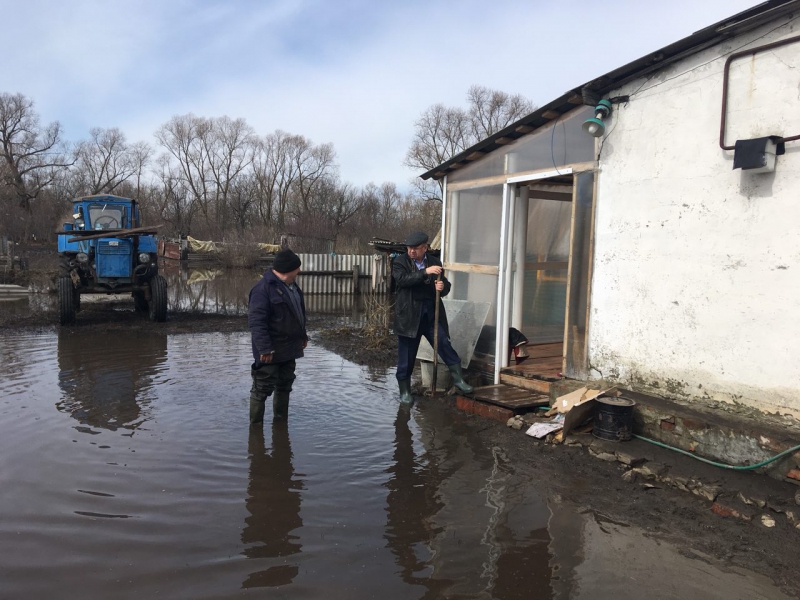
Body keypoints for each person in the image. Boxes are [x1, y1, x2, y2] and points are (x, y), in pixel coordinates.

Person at [393, 231, 474, 404]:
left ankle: (458, 380)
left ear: (425, 248)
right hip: (409, 318)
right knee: (406, 357)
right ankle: (405, 392)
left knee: (444, 345)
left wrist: (442, 286)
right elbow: (402, 280)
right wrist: (424, 273)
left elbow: (446, 287)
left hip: (431, 315)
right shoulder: (400, 262)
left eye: (415, 248)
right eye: (409, 248)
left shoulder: (435, 262)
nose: (411, 251)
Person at [248, 248, 308, 424]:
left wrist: (303, 336)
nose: (300, 271)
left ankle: (280, 425)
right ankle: (256, 429)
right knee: (261, 390)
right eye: (297, 267)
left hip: (289, 349)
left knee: (284, 387)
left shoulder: (293, 287)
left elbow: (298, 315)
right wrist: (265, 348)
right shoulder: (262, 290)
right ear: (289, 269)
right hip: (270, 352)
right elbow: (257, 323)